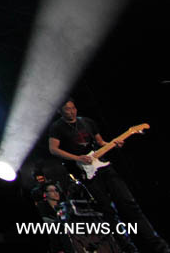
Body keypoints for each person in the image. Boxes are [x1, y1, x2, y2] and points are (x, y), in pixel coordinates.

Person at [48, 98, 169, 253]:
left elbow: (101, 142)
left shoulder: (87, 122)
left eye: (73, 108)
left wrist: (115, 143)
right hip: (87, 173)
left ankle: (159, 247)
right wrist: (76, 158)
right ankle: (128, 249)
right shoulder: (57, 127)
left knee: (130, 204)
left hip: (104, 167)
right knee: (108, 212)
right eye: (67, 109)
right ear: (61, 111)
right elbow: (54, 149)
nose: (71, 111)